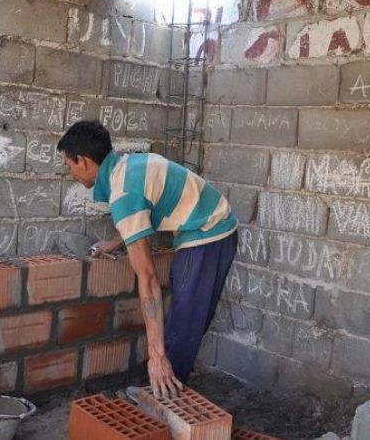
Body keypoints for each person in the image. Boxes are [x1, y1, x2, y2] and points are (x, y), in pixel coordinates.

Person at [57, 120, 239, 399]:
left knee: (185, 318)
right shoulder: (127, 167)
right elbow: (140, 210)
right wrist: (115, 242)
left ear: (84, 161)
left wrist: (156, 355)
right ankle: (168, 383)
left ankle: (164, 394)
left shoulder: (124, 194)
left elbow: (149, 279)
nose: (71, 174)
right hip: (211, 226)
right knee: (189, 315)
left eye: (69, 166)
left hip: (208, 233)